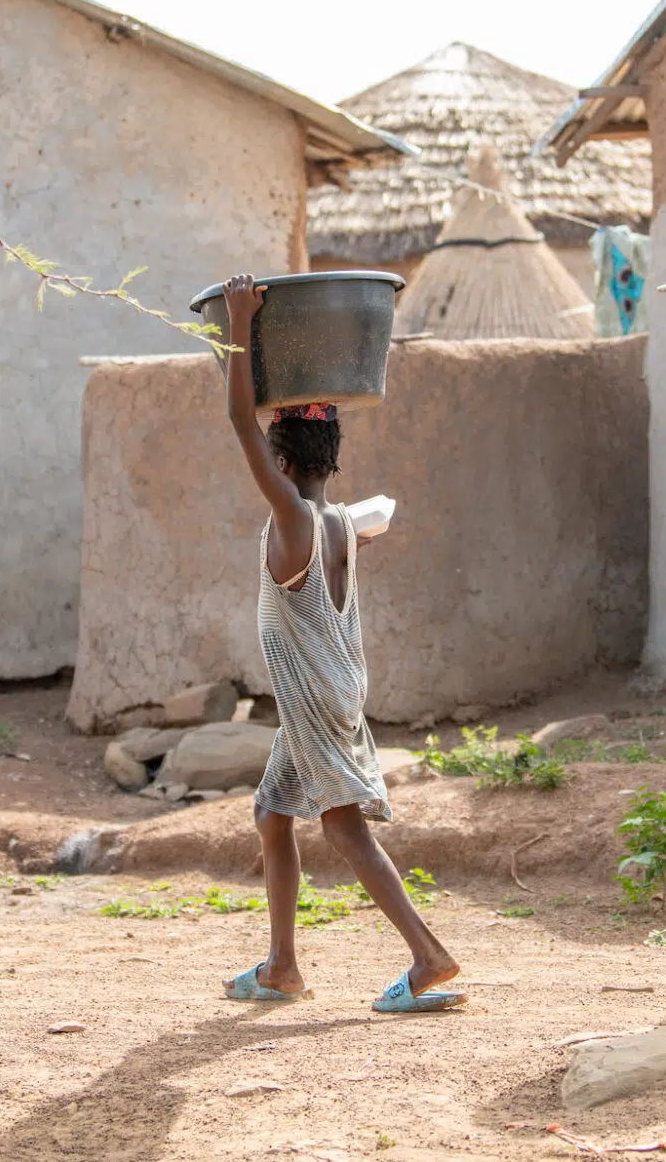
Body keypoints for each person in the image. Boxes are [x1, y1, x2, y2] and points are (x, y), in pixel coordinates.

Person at [215, 274, 463, 1013]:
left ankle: (429, 956)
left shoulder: (293, 521)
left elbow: (236, 419)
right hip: (325, 690)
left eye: (270, 452)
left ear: (284, 465)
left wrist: (237, 323)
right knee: (272, 813)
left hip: (315, 697)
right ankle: (282, 964)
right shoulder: (339, 520)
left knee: (344, 826)